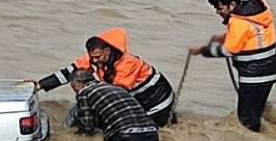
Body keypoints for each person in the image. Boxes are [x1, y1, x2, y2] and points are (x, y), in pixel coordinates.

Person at [34, 28, 175, 126]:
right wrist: (39, 85)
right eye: (92, 57)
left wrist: (87, 94)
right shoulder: (94, 57)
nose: (94, 61)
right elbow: (67, 72)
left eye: (98, 57)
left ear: (108, 50)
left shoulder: (128, 63)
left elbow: (116, 93)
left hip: (156, 102)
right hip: (135, 97)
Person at [188, 0, 276, 132]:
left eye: (220, 8)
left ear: (232, 5)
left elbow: (228, 50)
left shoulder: (237, 22)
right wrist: (224, 37)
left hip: (254, 75)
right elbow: (251, 35)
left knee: (246, 119)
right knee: (257, 110)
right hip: (270, 70)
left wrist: (202, 50)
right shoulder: (255, 14)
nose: (218, 12)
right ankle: (265, 136)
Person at [66, 69, 159, 141]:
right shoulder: (115, 87)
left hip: (127, 138)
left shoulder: (84, 92)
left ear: (77, 84)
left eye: (72, 86)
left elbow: (87, 126)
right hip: (153, 136)